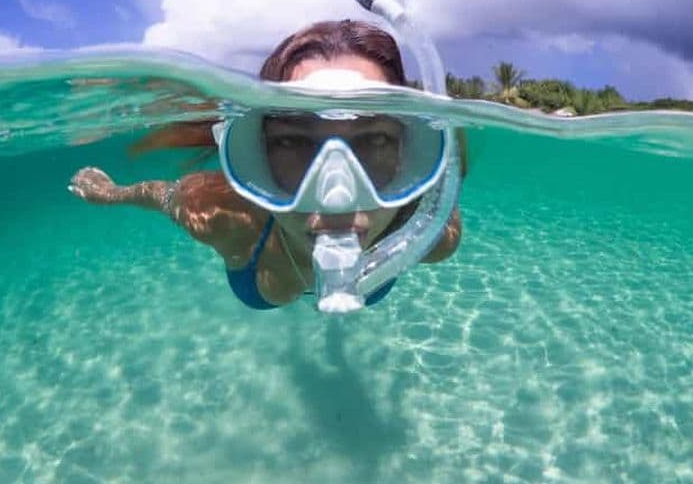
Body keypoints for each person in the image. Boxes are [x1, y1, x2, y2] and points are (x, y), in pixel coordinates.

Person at [69, 20, 463, 309]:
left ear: (412, 154)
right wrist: (112, 193)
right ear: (256, 154)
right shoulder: (224, 216)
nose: (336, 194)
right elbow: (161, 195)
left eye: (375, 140)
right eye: (292, 141)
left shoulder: (430, 232)